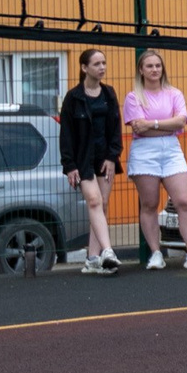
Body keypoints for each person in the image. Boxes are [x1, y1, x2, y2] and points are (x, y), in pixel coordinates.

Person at [125, 50, 187, 271]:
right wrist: (166, 125)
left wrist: (151, 124)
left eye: (158, 66)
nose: (154, 70)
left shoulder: (174, 94)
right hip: (144, 153)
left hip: (172, 151)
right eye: (150, 66)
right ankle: (155, 254)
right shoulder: (133, 97)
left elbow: (181, 122)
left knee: (184, 201)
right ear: (141, 70)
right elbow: (137, 128)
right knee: (150, 204)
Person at [59, 47, 124, 274]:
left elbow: (116, 128)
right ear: (84, 68)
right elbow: (66, 134)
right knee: (94, 202)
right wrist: (70, 165)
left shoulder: (109, 94)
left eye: (104, 63)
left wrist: (112, 156)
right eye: (97, 64)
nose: (102, 68)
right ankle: (108, 252)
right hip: (82, 160)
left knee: (102, 206)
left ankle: (92, 259)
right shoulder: (73, 97)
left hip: (104, 158)